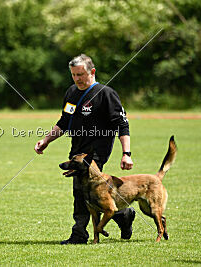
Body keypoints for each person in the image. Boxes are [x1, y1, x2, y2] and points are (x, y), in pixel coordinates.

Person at [34, 54, 135, 244]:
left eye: (80, 74)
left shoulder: (106, 94)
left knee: (81, 191)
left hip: (97, 151)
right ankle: (123, 214)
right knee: (93, 193)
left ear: (92, 71)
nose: (77, 79)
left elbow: (123, 125)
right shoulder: (72, 92)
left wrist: (126, 154)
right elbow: (64, 122)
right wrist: (46, 140)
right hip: (77, 150)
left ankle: (79, 234)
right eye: (73, 75)